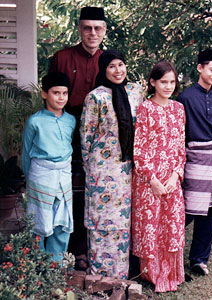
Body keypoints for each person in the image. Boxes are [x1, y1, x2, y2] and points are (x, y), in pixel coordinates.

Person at [49, 7, 107, 267]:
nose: (92, 33)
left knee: (93, 189)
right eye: (87, 27)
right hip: (67, 129)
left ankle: (87, 249)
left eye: (97, 28)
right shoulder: (62, 58)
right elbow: (51, 98)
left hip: (101, 134)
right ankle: (64, 247)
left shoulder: (110, 61)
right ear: (79, 29)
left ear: (104, 30)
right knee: (67, 188)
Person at [80, 49, 144, 279]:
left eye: (121, 64)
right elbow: (86, 136)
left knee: (122, 222)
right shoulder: (95, 97)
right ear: (103, 70)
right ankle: (99, 275)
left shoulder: (136, 92)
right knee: (100, 222)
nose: (118, 71)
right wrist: (91, 168)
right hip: (101, 171)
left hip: (127, 169)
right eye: (111, 66)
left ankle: (120, 277)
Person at [132, 61, 186, 292]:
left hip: (172, 178)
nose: (168, 86)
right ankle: (152, 274)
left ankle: (171, 273)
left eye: (172, 82)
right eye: (163, 82)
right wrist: (151, 180)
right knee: (151, 225)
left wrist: (176, 175)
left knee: (171, 224)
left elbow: (180, 147)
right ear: (153, 82)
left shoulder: (178, 108)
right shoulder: (144, 108)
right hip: (149, 179)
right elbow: (138, 148)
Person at [177, 49, 212, 276]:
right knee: (188, 209)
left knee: (211, 209)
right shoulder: (185, 98)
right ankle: (164, 250)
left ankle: (199, 259)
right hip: (194, 156)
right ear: (200, 68)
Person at [22, 72, 76, 262]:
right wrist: (30, 182)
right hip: (41, 175)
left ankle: (57, 267)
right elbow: (26, 153)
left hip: (64, 174)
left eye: (64, 93)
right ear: (44, 94)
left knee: (62, 221)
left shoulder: (70, 120)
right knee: (39, 221)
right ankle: (37, 267)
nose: (61, 97)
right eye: (56, 93)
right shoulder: (34, 121)